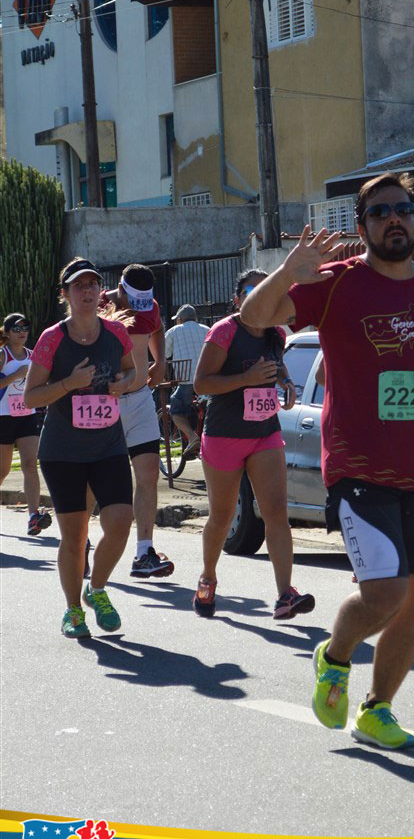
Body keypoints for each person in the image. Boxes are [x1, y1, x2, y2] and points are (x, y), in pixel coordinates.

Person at [241, 172, 414, 749]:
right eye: (379, 212)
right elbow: (255, 318)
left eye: (402, 208)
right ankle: (334, 658)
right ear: (362, 227)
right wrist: (287, 270)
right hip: (358, 466)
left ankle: (378, 709)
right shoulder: (335, 282)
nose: (393, 219)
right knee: (385, 592)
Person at [192, 269, 315, 620]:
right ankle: (208, 577)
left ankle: (285, 594)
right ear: (237, 299)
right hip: (225, 435)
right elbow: (201, 384)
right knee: (222, 517)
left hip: (264, 433)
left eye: (267, 289)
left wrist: (287, 383)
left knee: (276, 513)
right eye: (251, 289)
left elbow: (278, 368)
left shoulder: (276, 333)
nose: (260, 295)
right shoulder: (225, 331)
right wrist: (245, 379)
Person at [24, 258, 135, 639]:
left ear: (100, 291)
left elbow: (133, 370)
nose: (87, 291)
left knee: (120, 521)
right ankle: (73, 610)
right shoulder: (52, 338)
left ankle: (97, 589)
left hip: (109, 445)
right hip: (63, 452)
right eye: (78, 286)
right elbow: (31, 396)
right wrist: (69, 384)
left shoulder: (116, 332)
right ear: (66, 294)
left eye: (92, 284)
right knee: (74, 536)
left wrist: (124, 383)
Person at [99, 264, 174, 579]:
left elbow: (157, 327)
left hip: (141, 399)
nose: (139, 307)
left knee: (148, 475)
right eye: (134, 300)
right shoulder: (99, 305)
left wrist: (160, 361)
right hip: (105, 404)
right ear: (120, 288)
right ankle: (82, 544)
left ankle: (144, 552)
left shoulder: (149, 306)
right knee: (97, 480)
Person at [0, 312, 52, 535]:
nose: (22, 333)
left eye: (25, 328)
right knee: (2, 470)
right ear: (7, 332)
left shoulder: (33, 355)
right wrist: (16, 375)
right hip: (3, 416)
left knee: (30, 464)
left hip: (27, 415)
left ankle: (33, 516)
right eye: (17, 329)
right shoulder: (3, 355)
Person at [164, 303, 209, 459]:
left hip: (187, 381)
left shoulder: (174, 331)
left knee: (175, 410)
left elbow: (165, 353)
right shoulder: (207, 329)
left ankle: (192, 436)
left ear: (180, 319)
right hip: (208, 380)